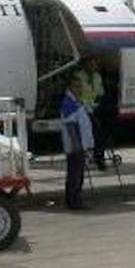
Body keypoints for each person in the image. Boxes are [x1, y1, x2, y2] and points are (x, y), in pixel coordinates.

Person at [59, 74, 94, 209]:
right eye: (76, 86)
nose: (79, 89)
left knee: (76, 173)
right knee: (76, 174)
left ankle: (73, 200)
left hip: (79, 144)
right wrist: (76, 144)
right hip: (75, 145)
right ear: (70, 87)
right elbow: (71, 125)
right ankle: (75, 201)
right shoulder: (68, 103)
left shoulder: (76, 101)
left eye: (80, 86)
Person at [75, 57, 108, 170]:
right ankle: (91, 157)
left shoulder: (97, 77)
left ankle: (99, 157)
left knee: (100, 129)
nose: (93, 66)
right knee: (94, 128)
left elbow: (101, 93)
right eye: (90, 64)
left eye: (94, 64)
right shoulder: (78, 77)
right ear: (84, 65)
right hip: (79, 108)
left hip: (92, 107)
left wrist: (97, 102)